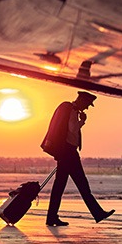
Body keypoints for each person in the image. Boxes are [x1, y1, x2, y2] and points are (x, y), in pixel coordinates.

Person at [41, 91, 114, 226]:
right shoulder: (71, 110)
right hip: (69, 153)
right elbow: (73, 129)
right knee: (82, 185)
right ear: (82, 100)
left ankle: (52, 217)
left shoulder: (69, 109)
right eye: (87, 104)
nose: (87, 108)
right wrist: (82, 121)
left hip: (67, 153)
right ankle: (97, 213)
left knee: (60, 186)